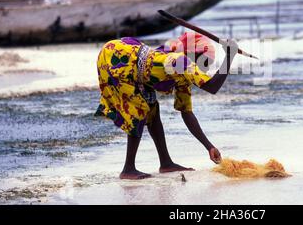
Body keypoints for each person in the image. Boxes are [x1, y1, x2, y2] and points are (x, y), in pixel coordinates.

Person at [95, 32, 238, 179]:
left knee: (153, 111)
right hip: (116, 58)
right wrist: (230, 56)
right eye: (205, 62)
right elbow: (212, 87)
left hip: (136, 69)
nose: (205, 69)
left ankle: (166, 162)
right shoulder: (180, 61)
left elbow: (186, 112)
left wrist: (209, 147)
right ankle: (128, 169)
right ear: (193, 55)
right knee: (139, 110)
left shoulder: (183, 75)